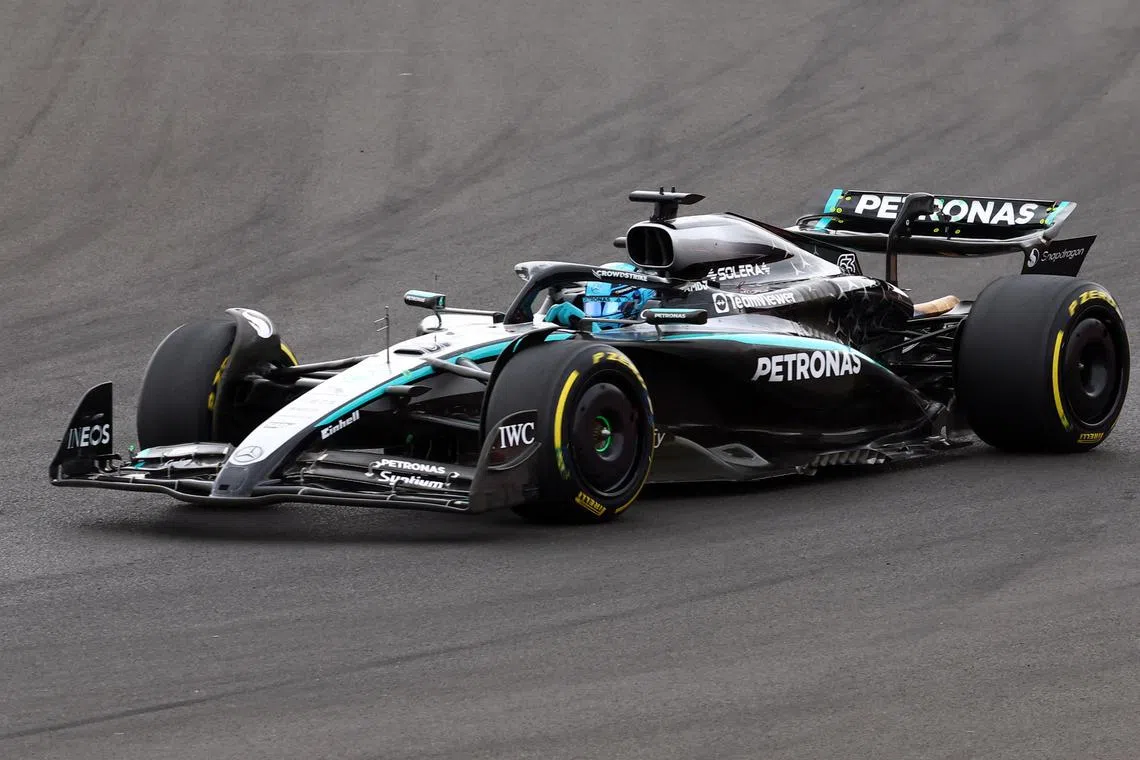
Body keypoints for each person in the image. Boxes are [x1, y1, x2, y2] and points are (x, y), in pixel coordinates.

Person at [545, 262, 655, 330]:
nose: (597, 317)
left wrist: (590, 329)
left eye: (606, 307)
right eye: (593, 307)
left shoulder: (652, 331)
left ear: (634, 304)